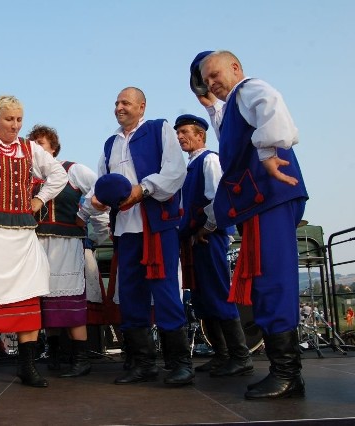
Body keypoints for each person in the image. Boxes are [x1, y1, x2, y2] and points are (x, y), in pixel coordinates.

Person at [195, 50, 308, 399]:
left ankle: (287, 374)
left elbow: (269, 103)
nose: (213, 82)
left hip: (269, 198)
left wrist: (269, 152)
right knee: (264, 281)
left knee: (272, 280)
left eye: (216, 74)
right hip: (258, 204)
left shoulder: (248, 89)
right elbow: (222, 119)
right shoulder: (230, 110)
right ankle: (284, 370)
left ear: (236, 68)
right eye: (207, 79)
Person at [0, 96, 67, 388]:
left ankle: (27, 365)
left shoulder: (30, 148)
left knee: (28, 293)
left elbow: (58, 174)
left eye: (19, 119)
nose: (15, 125)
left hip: (21, 234)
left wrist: (39, 199)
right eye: (9, 119)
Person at [89, 87, 192, 386]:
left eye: (126, 102)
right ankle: (142, 362)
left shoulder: (159, 129)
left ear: (142, 106)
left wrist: (142, 189)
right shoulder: (110, 143)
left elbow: (175, 171)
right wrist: (97, 198)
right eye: (116, 103)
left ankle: (180, 364)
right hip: (125, 229)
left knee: (165, 292)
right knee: (131, 296)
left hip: (156, 225)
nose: (119, 107)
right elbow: (101, 183)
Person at [27, 124, 109, 378]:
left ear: (53, 147)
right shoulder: (27, 177)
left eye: (41, 143)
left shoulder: (72, 170)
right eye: (33, 144)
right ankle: (53, 355)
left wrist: (85, 214)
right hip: (37, 245)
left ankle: (80, 358)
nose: (36, 148)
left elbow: (101, 190)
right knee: (45, 301)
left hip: (66, 243)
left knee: (69, 301)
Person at [174, 114, 253, 377]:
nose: (180, 136)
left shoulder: (209, 160)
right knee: (202, 297)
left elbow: (218, 197)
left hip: (210, 236)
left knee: (218, 293)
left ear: (200, 135)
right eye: (178, 133)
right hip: (195, 238)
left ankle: (240, 356)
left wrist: (206, 228)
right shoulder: (190, 165)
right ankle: (221, 355)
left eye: (185, 131)